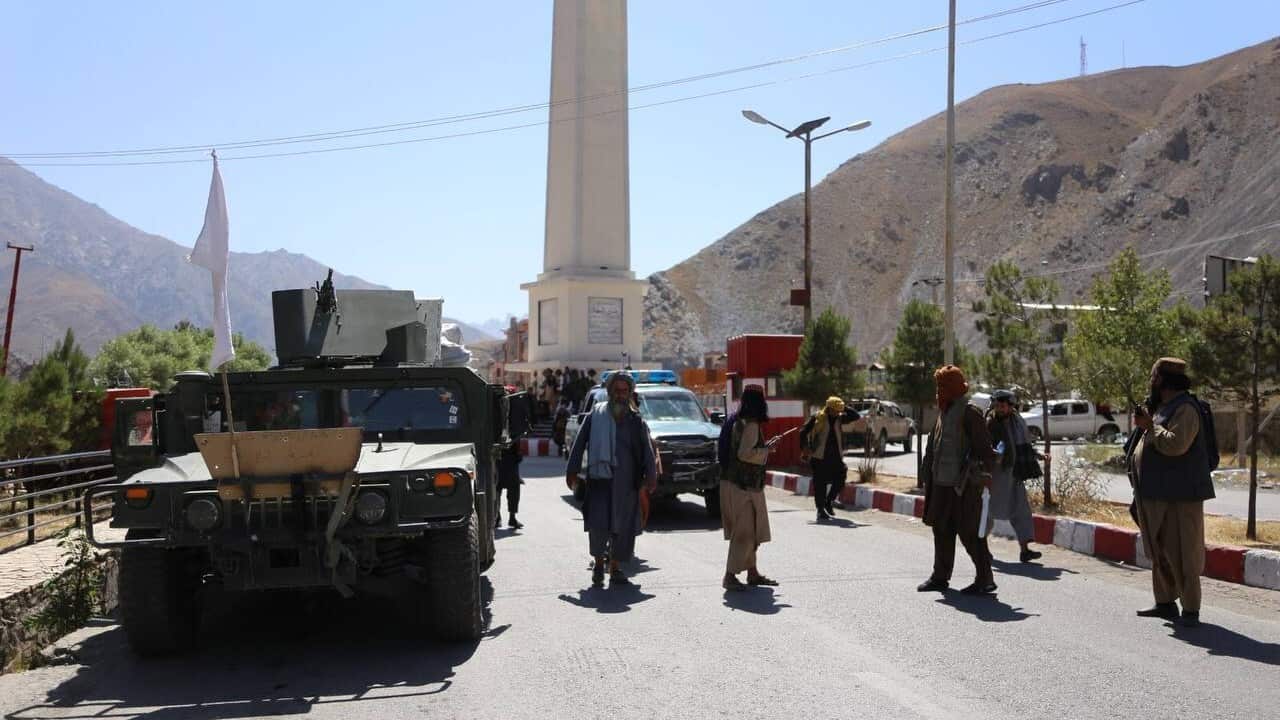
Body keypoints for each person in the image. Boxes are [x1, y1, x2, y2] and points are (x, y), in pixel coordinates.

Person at [1128, 357, 1215, 628]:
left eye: (1154, 376)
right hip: (1155, 492)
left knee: (1184, 552)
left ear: (1164, 380)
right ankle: (1165, 602)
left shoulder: (1186, 408)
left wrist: (1150, 426)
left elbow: (1176, 445)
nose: (1151, 380)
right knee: (1158, 548)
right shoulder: (1162, 407)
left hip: (1180, 496)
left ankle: (1190, 609)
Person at [566, 372, 658, 587]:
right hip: (600, 481)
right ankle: (599, 565)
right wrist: (572, 471)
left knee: (623, 527)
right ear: (609, 392)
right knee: (598, 525)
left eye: (624, 391)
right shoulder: (595, 415)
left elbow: (647, 451)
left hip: (626, 484)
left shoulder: (636, 420)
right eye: (617, 390)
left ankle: (615, 567)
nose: (620, 395)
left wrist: (651, 477)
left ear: (630, 393)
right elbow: (579, 444)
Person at [918, 365, 999, 595]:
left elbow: (984, 450)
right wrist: (926, 474)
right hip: (941, 485)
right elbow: (933, 447)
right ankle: (940, 577)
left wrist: (984, 475)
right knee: (941, 530)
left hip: (964, 486)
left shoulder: (970, 412)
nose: (938, 391)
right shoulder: (944, 411)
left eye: (942, 386)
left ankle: (985, 579)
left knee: (970, 533)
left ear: (953, 387)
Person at [720, 385, 780, 591]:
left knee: (750, 531)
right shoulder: (751, 424)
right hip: (744, 486)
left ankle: (752, 573)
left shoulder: (736, 420)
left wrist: (764, 448)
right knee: (745, 532)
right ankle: (729, 576)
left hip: (733, 483)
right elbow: (745, 454)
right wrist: (767, 450)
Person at [986, 389, 1042, 563]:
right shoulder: (990, 424)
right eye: (998, 406)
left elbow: (1023, 445)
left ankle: (1025, 550)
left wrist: (1038, 455)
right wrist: (994, 454)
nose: (1000, 409)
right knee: (987, 511)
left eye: (1003, 406)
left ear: (1011, 407)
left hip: (1015, 472)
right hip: (997, 474)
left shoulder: (1017, 422)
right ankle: (980, 548)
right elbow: (982, 447)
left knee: (1021, 509)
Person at [799, 397, 860, 521]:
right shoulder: (818, 417)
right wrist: (805, 448)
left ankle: (829, 501)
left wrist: (844, 407)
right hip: (819, 456)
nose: (838, 413)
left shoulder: (839, 418)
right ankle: (820, 510)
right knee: (820, 484)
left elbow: (855, 416)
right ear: (829, 408)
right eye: (836, 410)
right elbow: (803, 432)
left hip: (835, 456)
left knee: (841, 477)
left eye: (839, 410)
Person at [495, 439, 524, 530]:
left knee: (497, 491)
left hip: (498, 461)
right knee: (512, 491)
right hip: (508, 461)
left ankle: (499, 518)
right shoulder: (513, 433)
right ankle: (510, 517)